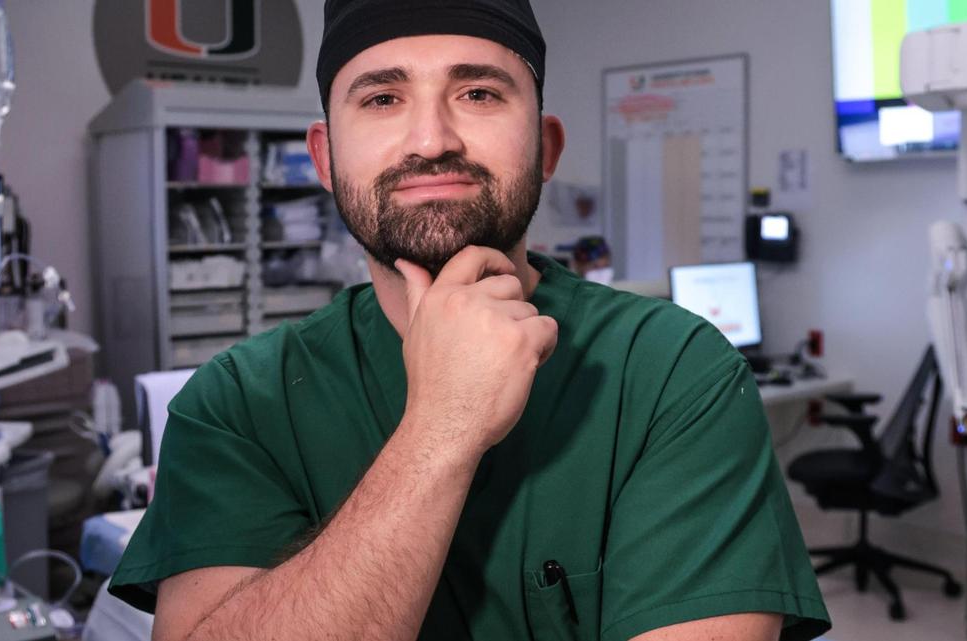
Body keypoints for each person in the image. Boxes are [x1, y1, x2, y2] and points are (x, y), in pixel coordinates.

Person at [109, 1, 832, 640]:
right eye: (383, 97)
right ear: (325, 160)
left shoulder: (674, 372)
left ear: (545, 148)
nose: (432, 140)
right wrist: (441, 428)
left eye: (479, 92)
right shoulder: (235, 405)